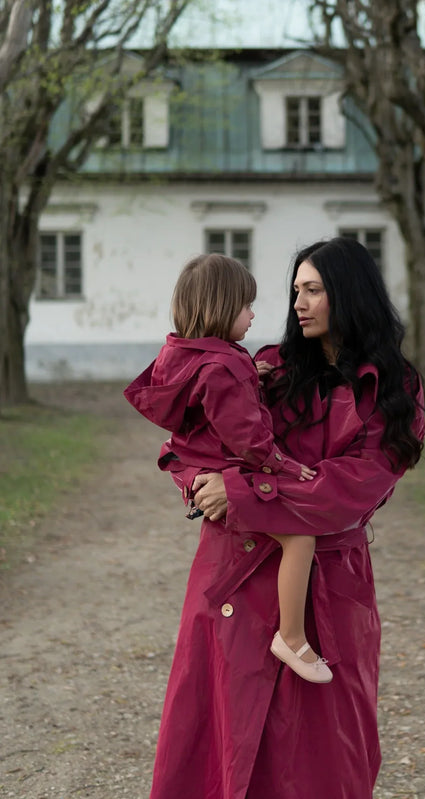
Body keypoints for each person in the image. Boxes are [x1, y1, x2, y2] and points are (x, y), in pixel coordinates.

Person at [146, 237, 425, 799]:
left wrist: (243, 494)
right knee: (216, 739)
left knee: (325, 753)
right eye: (296, 290)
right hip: (233, 574)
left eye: (314, 290)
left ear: (348, 295)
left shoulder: (393, 390)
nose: (299, 303)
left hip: (329, 586)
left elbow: (351, 490)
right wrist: (203, 488)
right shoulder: (266, 368)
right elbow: (189, 444)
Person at [124, 253, 332, 684]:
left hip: (195, 466)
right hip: (229, 474)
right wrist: (287, 467)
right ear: (221, 308)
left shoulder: (180, 355)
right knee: (300, 537)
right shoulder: (225, 365)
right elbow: (249, 440)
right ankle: (292, 637)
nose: (253, 315)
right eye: (245, 307)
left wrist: (247, 375)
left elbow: (204, 394)